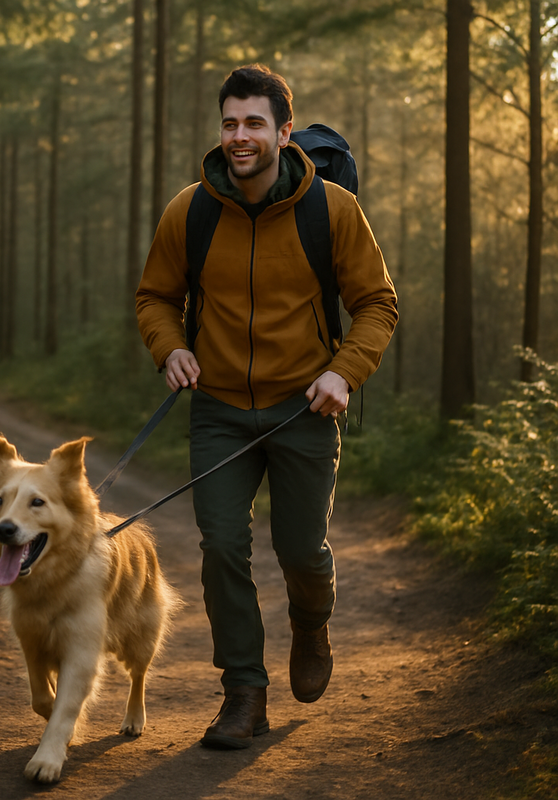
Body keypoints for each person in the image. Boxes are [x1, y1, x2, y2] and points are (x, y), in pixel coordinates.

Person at [136, 64, 397, 750]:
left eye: (255, 123)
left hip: (304, 408)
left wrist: (344, 374)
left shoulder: (332, 212)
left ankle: (312, 625)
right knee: (223, 546)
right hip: (218, 410)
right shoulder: (188, 211)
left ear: (285, 130)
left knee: (301, 551)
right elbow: (155, 298)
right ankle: (243, 695)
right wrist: (170, 351)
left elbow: (377, 304)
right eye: (230, 123)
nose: (240, 137)